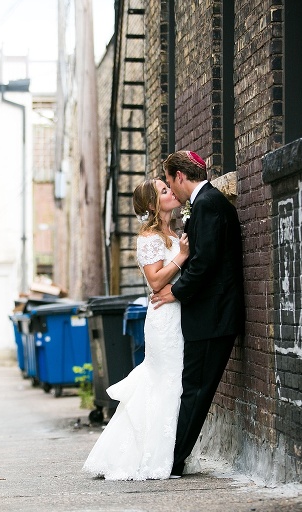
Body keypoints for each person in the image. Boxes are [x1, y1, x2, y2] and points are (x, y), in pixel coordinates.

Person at [83, 177, 189, 480]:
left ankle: (167, 451)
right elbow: (156, 281)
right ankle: (147, 456)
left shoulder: (173, 232)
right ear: (153, 205)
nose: (172, 192)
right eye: (164, 191)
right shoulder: (148, 238)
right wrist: (181, 256)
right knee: (164, 382)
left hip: (178, 313)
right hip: (163, 318)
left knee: (171, 382)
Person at [153, 150, 245, 478]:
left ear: (180, 175)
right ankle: (172, 458)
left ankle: (172, 462)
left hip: (212, 317)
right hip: (208, 316)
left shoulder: (207, 203)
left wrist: (174, 292)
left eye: (169, 182)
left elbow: (205, 262)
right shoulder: (206, 202)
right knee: (192, 386)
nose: (171, 190)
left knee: (195, 389)